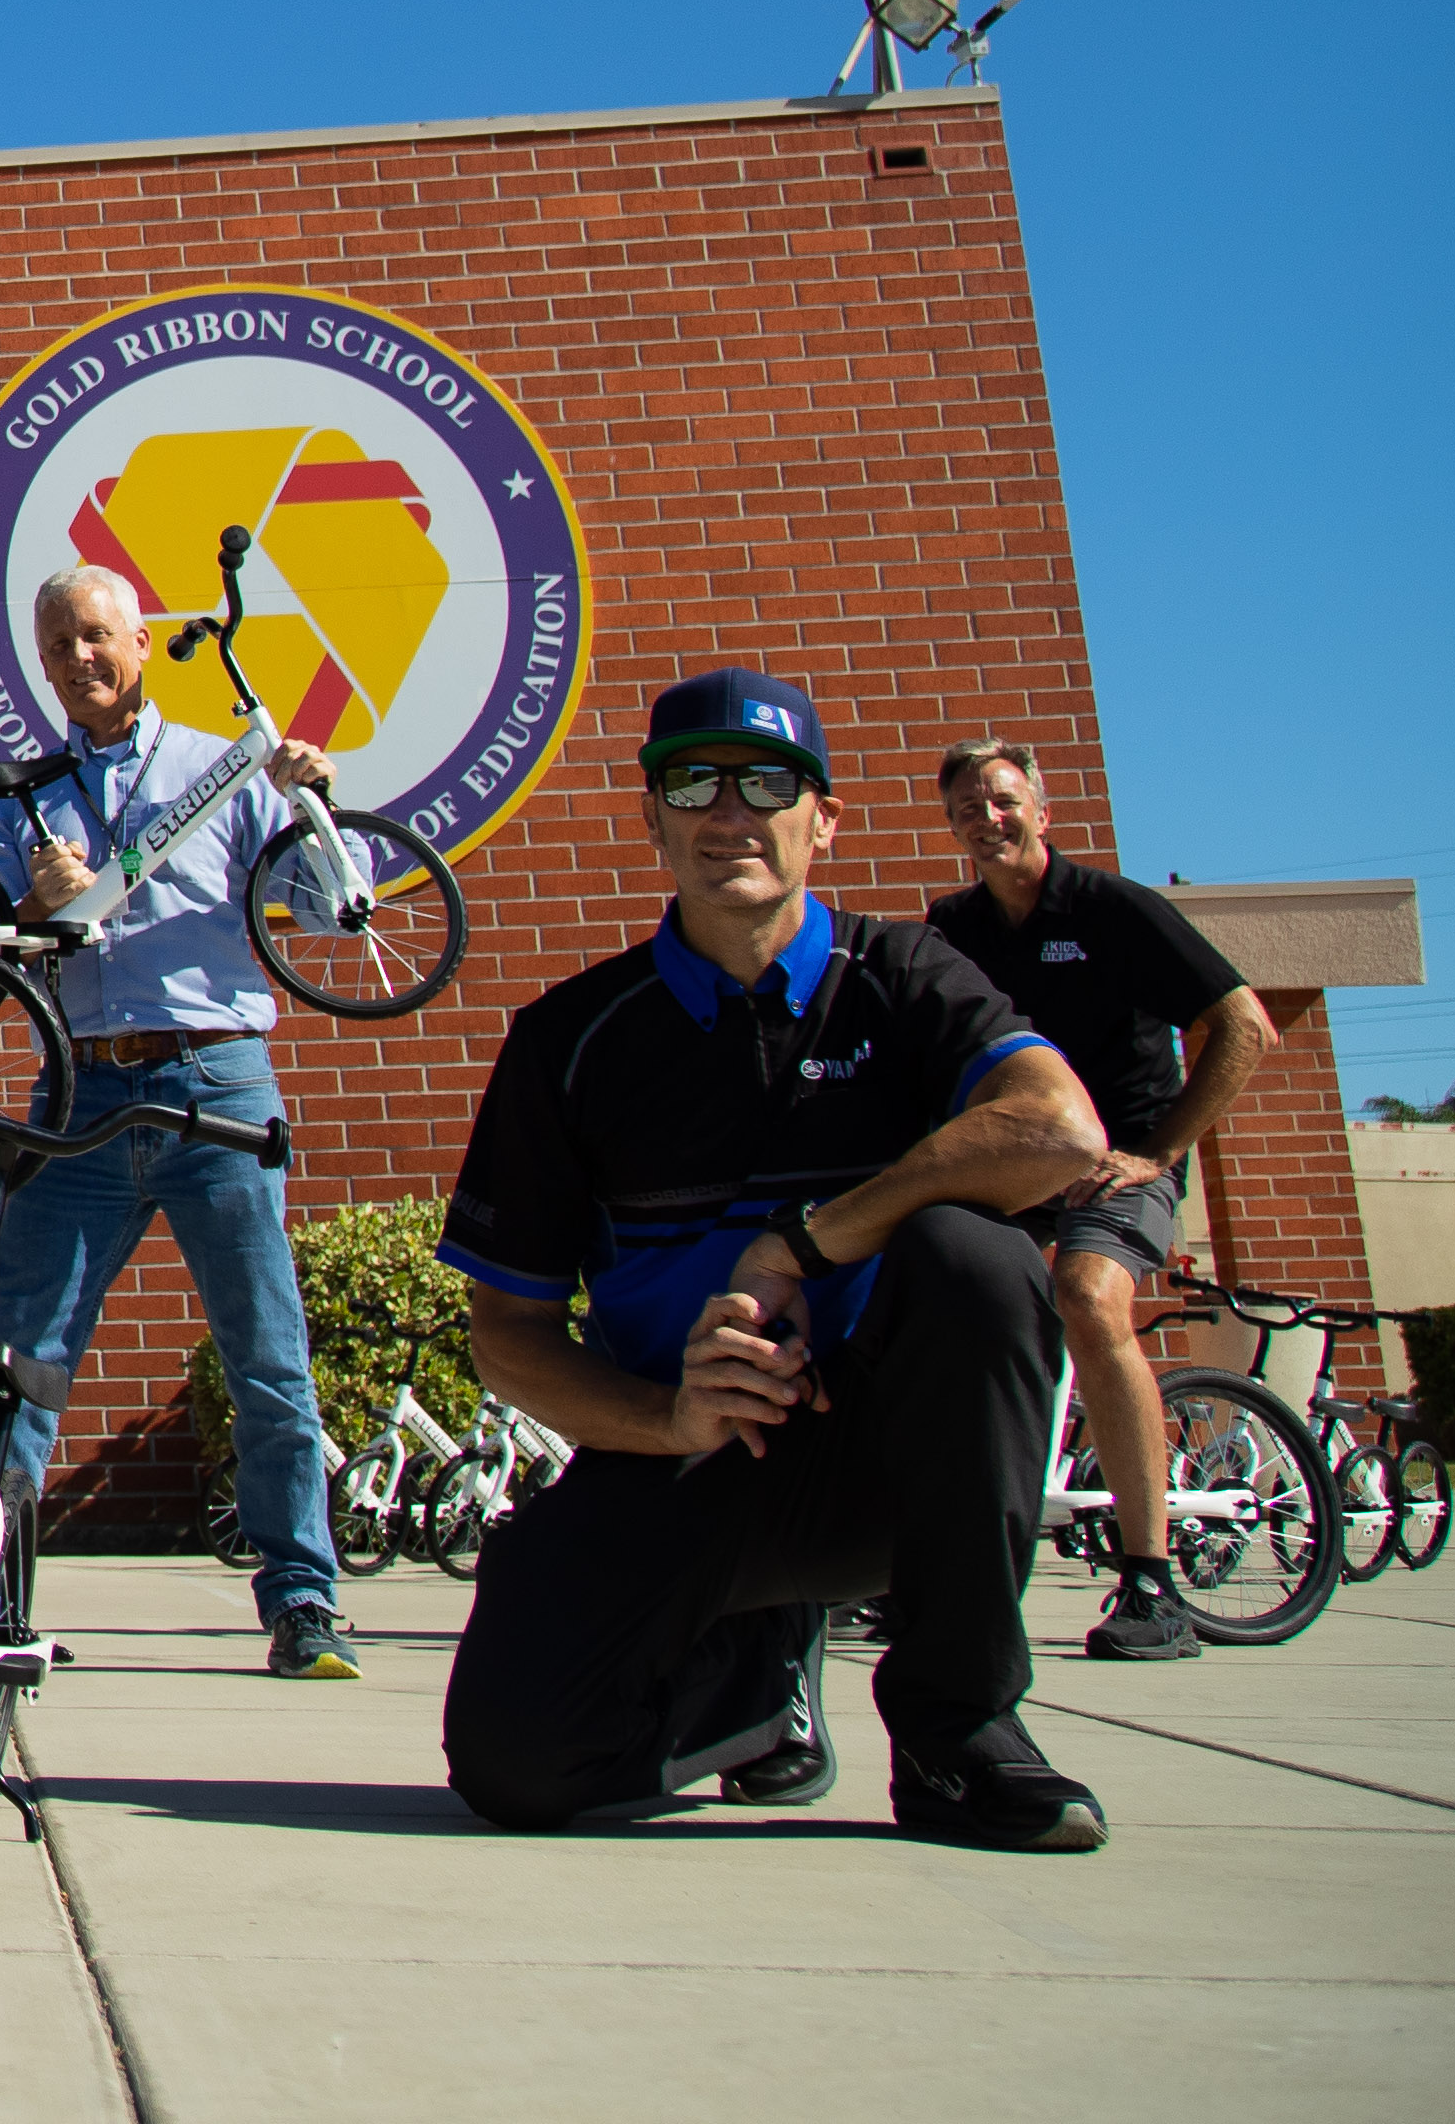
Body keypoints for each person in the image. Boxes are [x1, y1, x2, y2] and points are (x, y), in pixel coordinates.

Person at [437, 667, 1118, 1852]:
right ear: (653, 818)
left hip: (896, 1461)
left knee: (977, 1257)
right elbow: (510, 1341)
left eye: (769, 781)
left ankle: (958, 1731)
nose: (729, 811)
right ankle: (751, 1685)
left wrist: (806, 1240)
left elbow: (1059, 1131)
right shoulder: (569, 1041)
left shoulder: (901, 977)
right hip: (690, 1453)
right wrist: (668, 1418)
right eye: (692, 781)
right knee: (518, 1768)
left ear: (823, 819)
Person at [0, 564, 358, 1679]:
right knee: (22, 1361)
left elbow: (335, 915)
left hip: (214, 1083)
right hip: (81, 1092)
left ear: (141, 641)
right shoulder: (23, 796)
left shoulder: (218, 769)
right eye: (57, 649)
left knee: (266, 1355)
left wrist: (315, 804)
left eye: (95, 636)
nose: (79, 661)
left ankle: (303, 1603)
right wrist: (36, 902)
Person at [920, 735, 1276, 1666]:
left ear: (1041, 807)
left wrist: (1157, 1152)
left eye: (1002, 800)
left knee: (1086, 1293)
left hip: (1123, 1167)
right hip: (1021, 1168)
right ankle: (915, 1563)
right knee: (925, 1286)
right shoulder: (953, 929)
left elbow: (1243, 1025)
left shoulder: (1114, 910)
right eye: (967, 809)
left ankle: (1149, 1581)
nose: (986, 820)